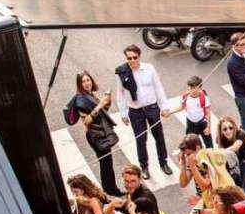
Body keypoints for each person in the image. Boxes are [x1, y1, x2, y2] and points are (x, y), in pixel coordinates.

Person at [115, 45, 170, 180]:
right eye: (129, 58)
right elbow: (120, 93)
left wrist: (164, 106)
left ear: (139, 56)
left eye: (135, 57)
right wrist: (123, 113)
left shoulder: (149, 68)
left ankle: (163, 163)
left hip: (152, 108)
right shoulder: (122, 72)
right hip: (136, 111)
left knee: (159, 137)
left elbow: (158, 87)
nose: (132, 61)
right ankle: (144, 167)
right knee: (141, 140)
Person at [68, 71, 123, 196]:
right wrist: (100, 105)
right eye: (83, 81)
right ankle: (110, 190)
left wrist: (106, 100)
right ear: (79, 84)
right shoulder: (80, 100)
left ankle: (110, 189)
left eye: (88, 80)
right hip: (95, 135)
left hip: (101, 131)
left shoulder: (91, 94)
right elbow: (86, 121)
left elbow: (104, 110)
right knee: (105, 163)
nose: (87, 83)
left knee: (107, 162)